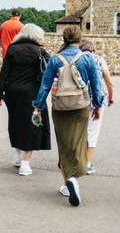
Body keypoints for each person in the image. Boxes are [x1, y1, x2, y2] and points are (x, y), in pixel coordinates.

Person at [32, 25, 103, 207]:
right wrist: (97, 105)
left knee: (64, 144)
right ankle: (75, 180)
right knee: (79, 144)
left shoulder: (55, 59)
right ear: (80, 40)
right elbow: (96, 85)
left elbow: (45, 86)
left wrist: (38, 107)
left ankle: (68, 182)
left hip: (60, 107)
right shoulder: (87, 57)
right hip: (80, 106)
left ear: (64, 39)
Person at [0, 24, 51, 176]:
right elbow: (51, 70)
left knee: (16, 122)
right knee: (30, 126)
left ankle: (19, 156)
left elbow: (4, 73)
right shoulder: (40, 51)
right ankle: (25, 164)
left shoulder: (12, 49)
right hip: (32, 92)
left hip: (12, 92)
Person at [79, 38, 114, 175]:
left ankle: (77, 161)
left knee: (79, 131)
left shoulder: (77, 58)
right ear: (92, 49)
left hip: (78, 100)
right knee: (92, 131)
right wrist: (110, 97)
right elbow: (109, 82)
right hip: (95, 101)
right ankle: (87, 164)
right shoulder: (99, 60)